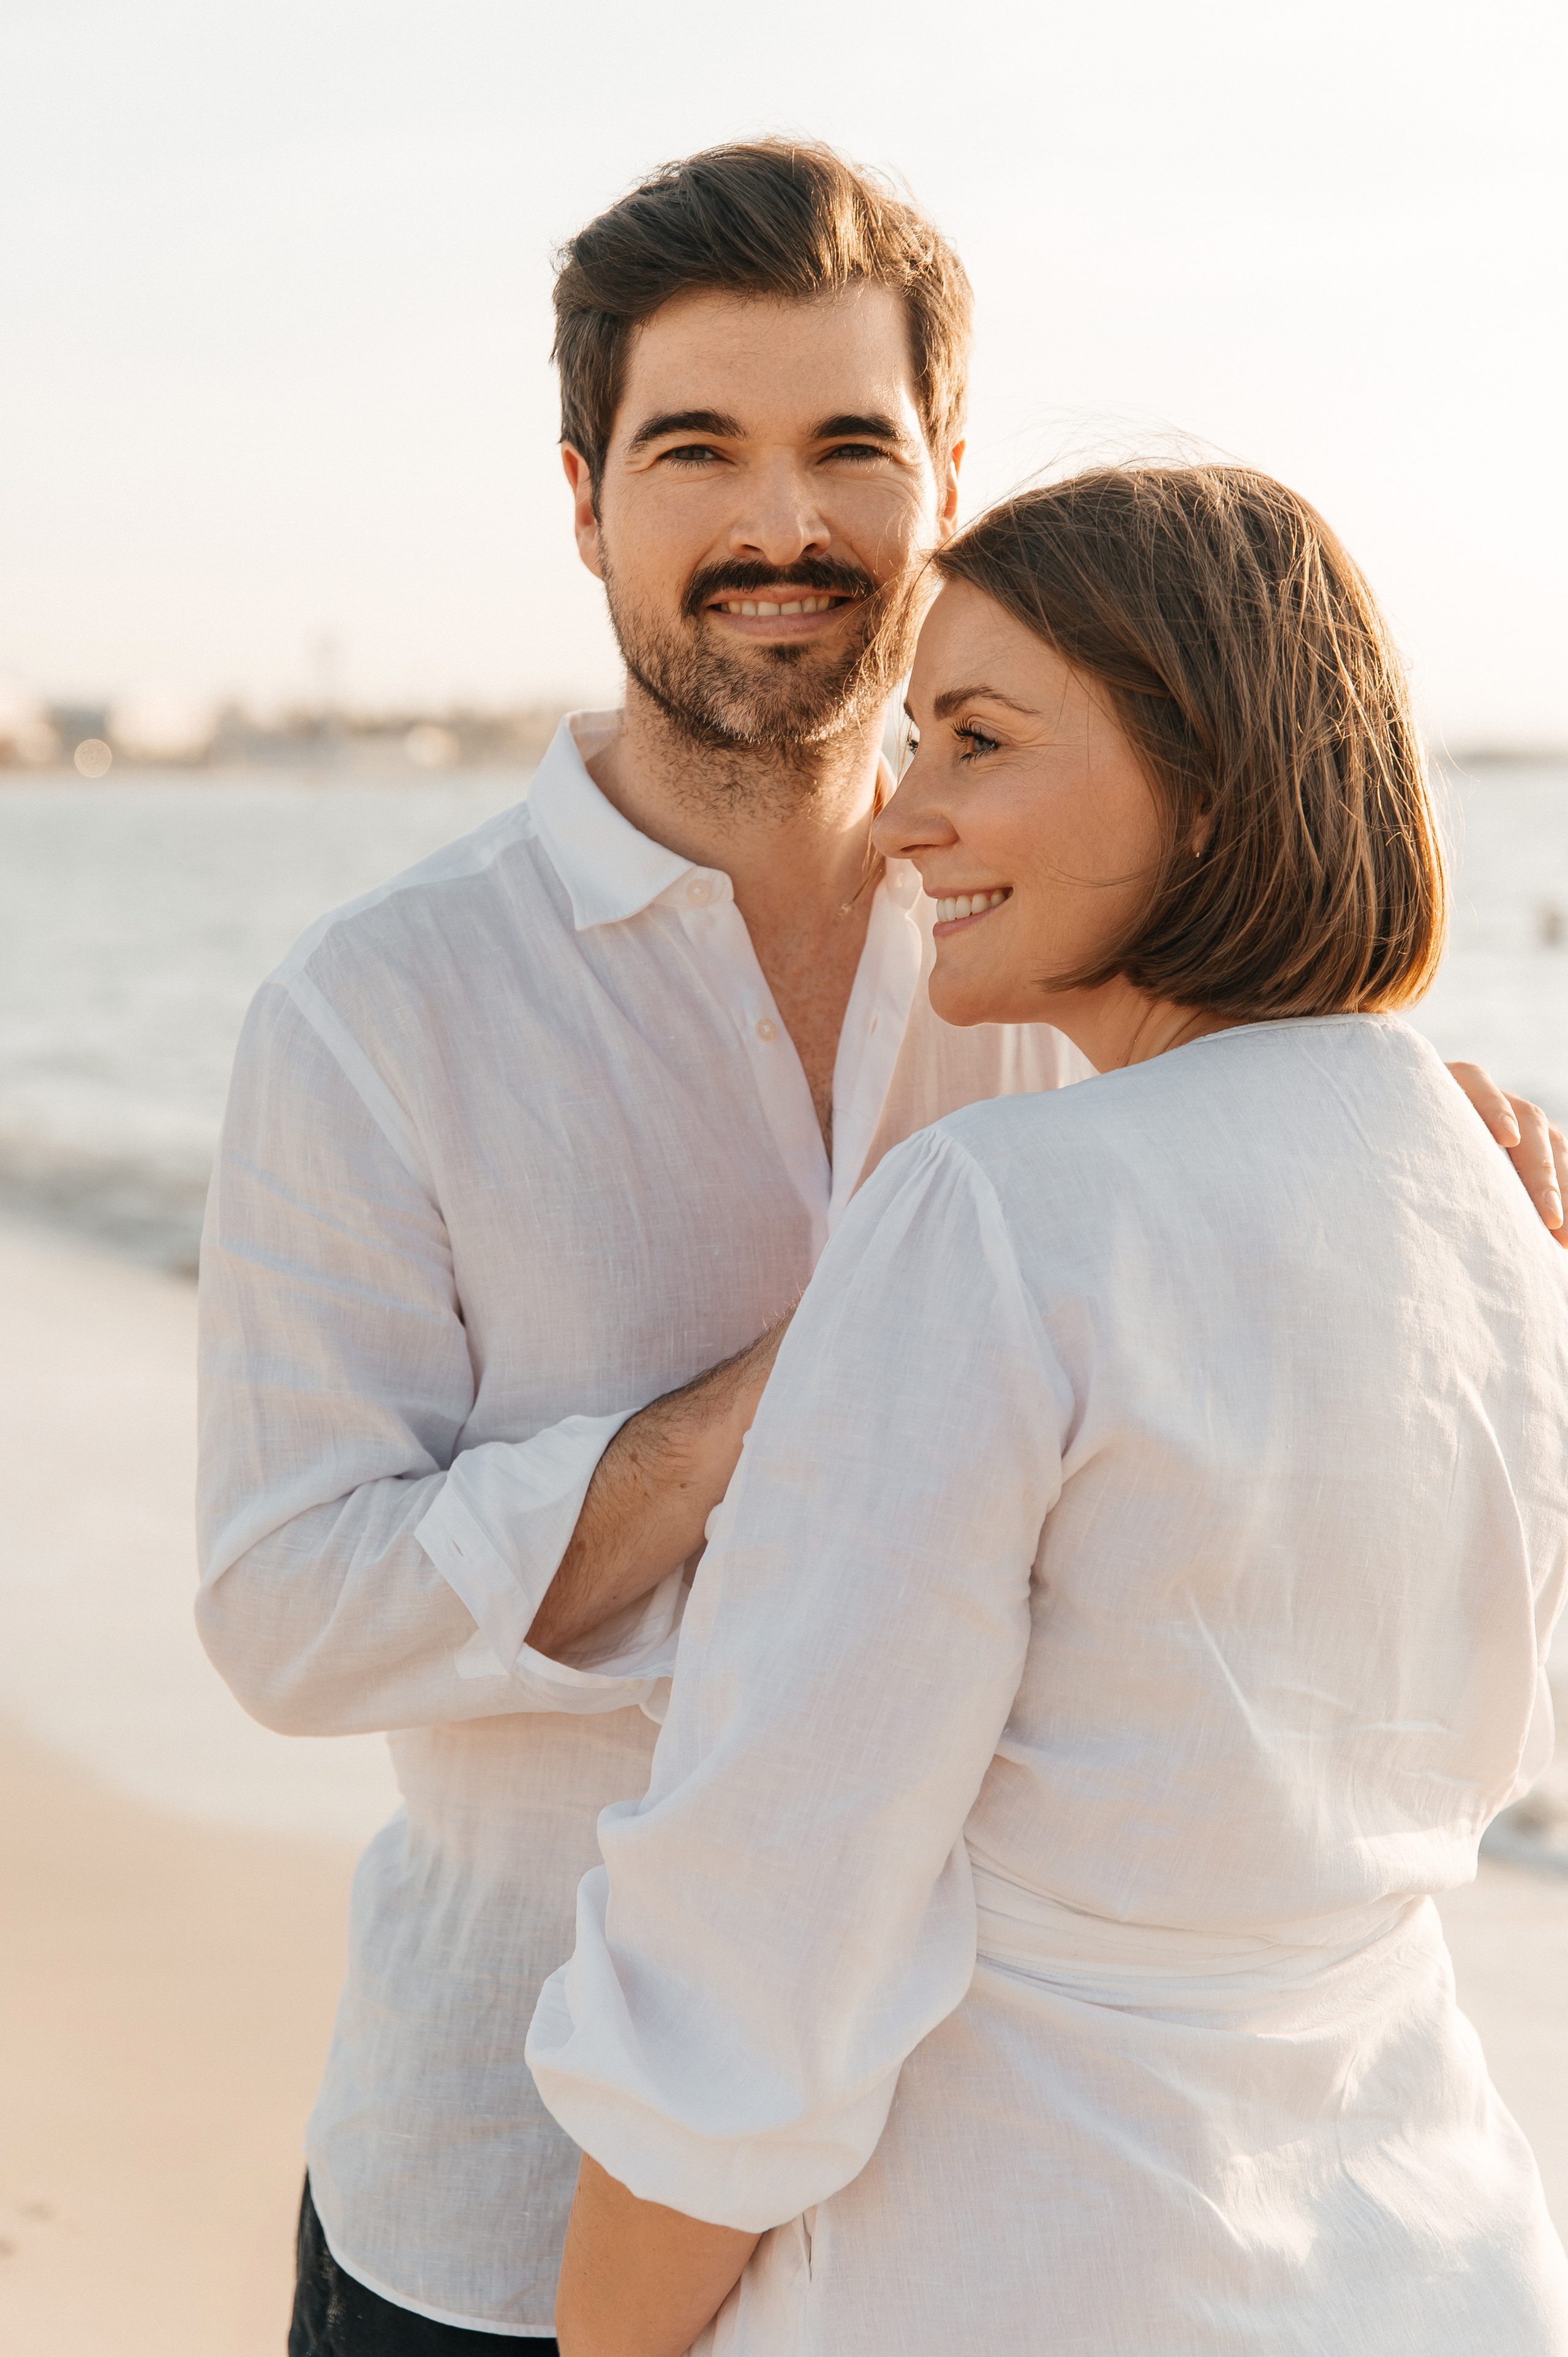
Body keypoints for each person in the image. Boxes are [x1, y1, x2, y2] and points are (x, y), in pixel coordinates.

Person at [195, 142, 1559, 2351]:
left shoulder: (1057, 940)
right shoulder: (379, 1012)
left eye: (851, 446)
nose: (778, 525)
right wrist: (795, 1414)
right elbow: (283, 1612)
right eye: (695, 451)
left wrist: (1387, 1178)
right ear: (581, 499)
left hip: (1005, 2210)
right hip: (505, 2180)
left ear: (941, 488)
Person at [528, 466, 1568, 2356]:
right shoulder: (1498, 1193)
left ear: (1211, 769)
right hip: (1437, 2256)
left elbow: (758, 1943)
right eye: (919, 733)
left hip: (1025, 2265)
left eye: (980, 741)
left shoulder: (1001, 1213)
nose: (906, 815)